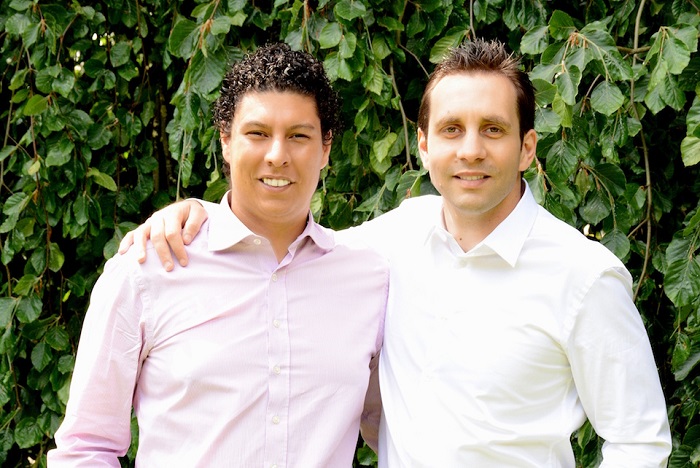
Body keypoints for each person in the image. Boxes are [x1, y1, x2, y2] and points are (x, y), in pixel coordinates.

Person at [119, 39, 672, 466]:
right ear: (424, 145)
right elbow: (287, 241)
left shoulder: (584, 276)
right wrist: (198, 214)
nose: (471, 150)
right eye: (451, 129)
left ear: (527, 147)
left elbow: (639, 442)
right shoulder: (387, 245)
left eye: (493, 129)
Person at [48, 43, 389, 467]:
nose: (277, 155)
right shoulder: (146, 270)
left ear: (325, 149)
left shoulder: (370, 277)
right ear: (226, 140)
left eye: (299, 136)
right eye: (257, 133)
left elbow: (395, 428)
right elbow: (85, 449)